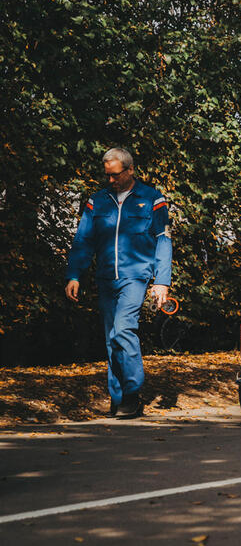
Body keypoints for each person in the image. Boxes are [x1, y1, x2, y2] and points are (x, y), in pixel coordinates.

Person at [65, 148, 172, 419]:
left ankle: (133, 394)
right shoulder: (97, 201)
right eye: (107, 176)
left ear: (129, 170)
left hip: (135, 276)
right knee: (112, 339)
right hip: (106, 277)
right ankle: (118, 397)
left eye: (115, 176)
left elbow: (163, 239)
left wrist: (161, 282)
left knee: (124, 330)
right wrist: (75, 275)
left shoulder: (151, 199)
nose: (110, 181)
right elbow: (83, 240)